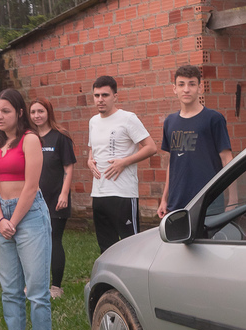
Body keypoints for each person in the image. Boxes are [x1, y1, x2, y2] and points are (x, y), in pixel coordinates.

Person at [0, 89, 53, 330]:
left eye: (6, 111)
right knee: (10, 288)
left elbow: (31, 186)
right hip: (2, 217)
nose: (0, 116)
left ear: (19, 113)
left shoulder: (30, 140)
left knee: (36, 288)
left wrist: (12, 222)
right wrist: (0, 219)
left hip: (29, 216)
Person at [87, 75, 157, 253]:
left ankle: (135, 280)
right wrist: (89, 160)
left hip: (123, 194)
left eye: (105, 95)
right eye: (97, 96)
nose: (100, 100)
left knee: (132, 247)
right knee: (106, 248)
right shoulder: (93, 122)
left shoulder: (127, 118)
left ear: (115, 97)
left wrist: (124, 163)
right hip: (99, 193)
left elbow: (151, 147)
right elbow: (92, 149)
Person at [157, 65, 235, 219]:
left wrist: (233, 200)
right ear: (174, 89)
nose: (186, 89)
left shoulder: (213, 119)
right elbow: (171, 163)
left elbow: (227, 159)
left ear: (200, 88)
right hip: (176, 202)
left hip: (209, 202)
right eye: (181, 84)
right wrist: (164, 199)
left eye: (192, 84)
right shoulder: (170, 122)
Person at [29, 98, 75, 299]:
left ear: (49, 113)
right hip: (32, 199)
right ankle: (35, 283)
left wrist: (64, 193)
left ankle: (56, 286)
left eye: (41, 111)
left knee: (54, 240)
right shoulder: (29, 138)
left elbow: (68, 167)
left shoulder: (60, 137)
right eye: (33, 112)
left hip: (56, 199)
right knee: (34, 243)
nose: (37, 115)